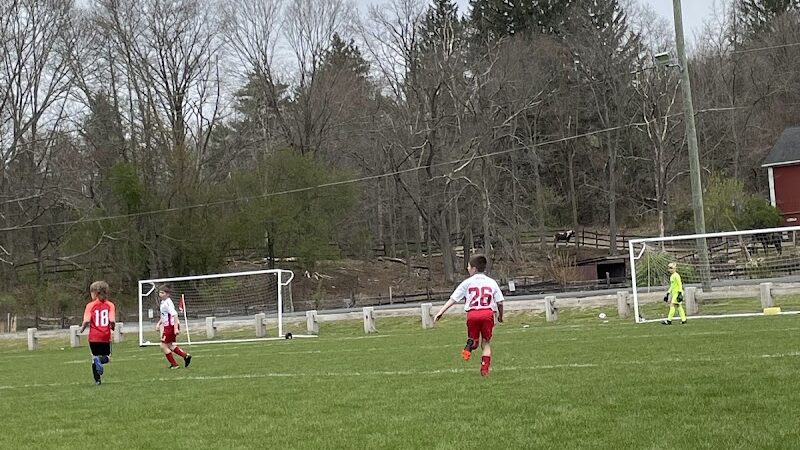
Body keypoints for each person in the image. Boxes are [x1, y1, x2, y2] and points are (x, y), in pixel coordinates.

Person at [433, 254, 504, 377]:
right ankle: (485, 369)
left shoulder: (467, 283)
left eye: (468, 266)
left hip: (472, 314)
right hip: (487, 313)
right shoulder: (491, 282)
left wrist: (441, 312)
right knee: (486, 343)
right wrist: (500, 316)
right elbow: (500, 302)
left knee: (474, 342)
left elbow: (453, 299)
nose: (467, 268)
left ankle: (470, 345)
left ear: (474, 269)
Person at [79, 281, 115, 385]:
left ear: (95, 293)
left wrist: (82, 329)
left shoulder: (90, 305)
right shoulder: (110, 305)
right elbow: (112, 320)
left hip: (93, 337)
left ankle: (97, 381)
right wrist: (112, 327)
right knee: (107, 358)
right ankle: (100, 360)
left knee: (94, 358)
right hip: (105, 336)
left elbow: (86, 321)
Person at [156, 284, 192, 369]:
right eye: (160, 292)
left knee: (163, 346)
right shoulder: (163, 302)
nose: (160, 294)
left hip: (170, 326)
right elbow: (164, 315)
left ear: (167, 294)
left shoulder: (168, 303)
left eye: (162, 293)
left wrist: (175, 328)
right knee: (169, 345)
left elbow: (175, 315)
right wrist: (159, 323)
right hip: (168, 326)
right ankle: (185, 356)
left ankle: (174, 364)